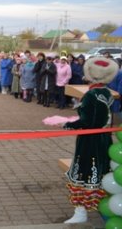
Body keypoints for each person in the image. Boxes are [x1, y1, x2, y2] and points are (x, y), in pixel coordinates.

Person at [63, 57, 119, 224]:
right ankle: (104, 210)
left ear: (90, 74)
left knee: (84, 173)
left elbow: (88, 122)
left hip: (90, 141)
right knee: (101, 173)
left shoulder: (91, 94)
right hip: (104, 138)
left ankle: (81, 212)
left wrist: (68, 124)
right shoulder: (107, 92)